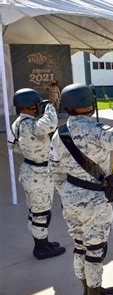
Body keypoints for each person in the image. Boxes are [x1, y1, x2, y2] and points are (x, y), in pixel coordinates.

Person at [48, 84, 113, 295]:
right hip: (95, 202)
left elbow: (53, 169)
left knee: (80, 246)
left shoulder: (59, 133)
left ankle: (88, 289)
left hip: (70, 200)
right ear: (90, 104)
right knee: (95, 249)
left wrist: (66, 193)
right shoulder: (96, 130)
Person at [7, 88, 65, 260]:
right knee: (41, 213)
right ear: (29, 106)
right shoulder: (30, 125)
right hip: (38, 174)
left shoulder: (17, 124)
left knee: (36, 211)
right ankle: (41, 248)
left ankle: (43, 242)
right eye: (36, 104)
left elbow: (12, 146)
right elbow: (50, 124)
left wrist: (29, 150)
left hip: (30, 170)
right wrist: (50, 107)